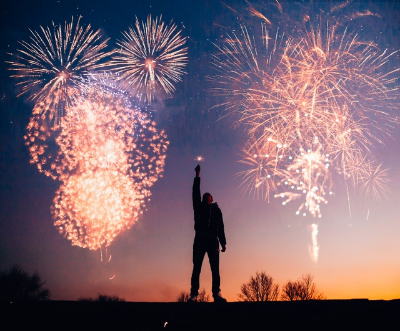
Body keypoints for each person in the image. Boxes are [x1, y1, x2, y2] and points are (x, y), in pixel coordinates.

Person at [188, 164, 227, 303]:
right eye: (204, 196)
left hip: (212, 240)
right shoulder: (198, 207)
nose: (205, 197)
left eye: (207, 196)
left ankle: (217, 293)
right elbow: (195, 192)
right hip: (200, 238)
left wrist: (223, 242)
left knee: (215, 269)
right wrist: (197, 175)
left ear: (211, 199)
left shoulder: (217, 210)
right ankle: (193, 294)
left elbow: (221, 226)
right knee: (196, 267)